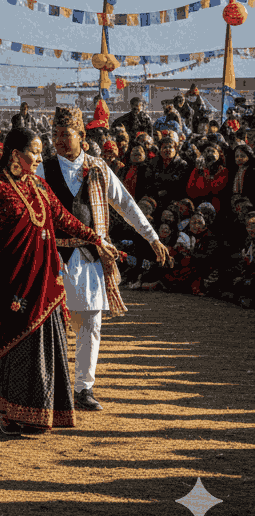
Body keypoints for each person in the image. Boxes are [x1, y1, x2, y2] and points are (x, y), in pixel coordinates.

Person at [0, 129, 119, 435]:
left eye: (39, 152)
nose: (38, 158)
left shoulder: (39, 185)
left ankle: (40, 414)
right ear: (14, 155)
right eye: (34, 152)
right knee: (17, 345)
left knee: (46, 343)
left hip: (43, 280)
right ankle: (10, 413)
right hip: (9, 281)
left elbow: (65, 219)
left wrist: (97, 239)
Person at [38, 106, 171, 412]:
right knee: (53, 323)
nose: (59, 140)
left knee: (91, 323)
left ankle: (84, 388)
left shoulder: (98, 169)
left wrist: (152, 238)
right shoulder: (42, 169)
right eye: (55, 134)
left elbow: (125, 204)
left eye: (65, 134)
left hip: (90, 257)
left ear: (81, 136)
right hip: (53, 255)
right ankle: (52, 386)